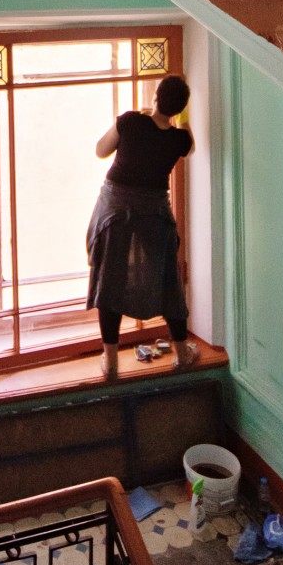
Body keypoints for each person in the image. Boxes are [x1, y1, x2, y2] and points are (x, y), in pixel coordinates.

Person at [86, 74, 195, 380]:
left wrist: (144, 114)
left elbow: (100, 150)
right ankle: (182, 354)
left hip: (116, 208)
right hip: (153, 211)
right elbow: (189, 143)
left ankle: (111, 362)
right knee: (167, 278)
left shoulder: (131, 121)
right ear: (180, 109)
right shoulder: (179, 140)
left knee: (110, 277)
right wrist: (181, 118)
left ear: (155, 97)